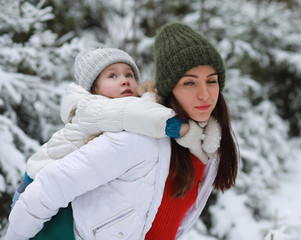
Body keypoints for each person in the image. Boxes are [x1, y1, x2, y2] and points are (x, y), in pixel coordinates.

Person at [5, 22, 239, 240]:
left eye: (212, 81)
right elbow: (50, 186)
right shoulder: (138, 137)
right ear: (170, 88)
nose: (205, 94)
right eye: (190, 82)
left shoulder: (207, 146)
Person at [9, 47, 187, 239]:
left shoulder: (119, 111)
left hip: (55, 191)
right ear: (94, 88)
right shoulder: (95, 107)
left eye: (129, 74)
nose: (124, 80)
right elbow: (135, 114)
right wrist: (170, 123)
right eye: (112, 76)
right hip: (34, 186)